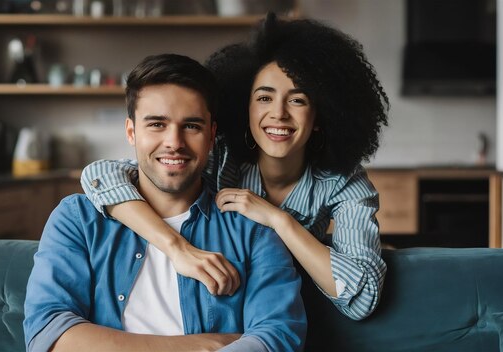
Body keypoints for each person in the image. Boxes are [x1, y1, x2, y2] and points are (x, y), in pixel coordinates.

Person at [81, 14, 388, 322]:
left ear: (320, 116)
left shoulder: (345, 181)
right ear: (245, 106)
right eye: (264, 97)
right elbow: (99, 176)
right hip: (225, 309)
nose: (278, 114)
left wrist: (278, 220)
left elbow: (362, 298)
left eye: (297, 100)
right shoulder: (219, 155)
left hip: (289, 315)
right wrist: (176, 249)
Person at [23, 53, 306, 352]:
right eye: (157, 124)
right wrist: (200, 346)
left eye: (192, 126)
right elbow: (50, 336)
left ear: (211, 136)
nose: (174, 142)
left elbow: (278, 337)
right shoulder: (77, 219)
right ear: (132, 132)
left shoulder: (253, 230)